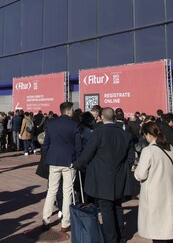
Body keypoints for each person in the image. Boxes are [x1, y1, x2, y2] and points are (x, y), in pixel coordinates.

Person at [73, 107, 134, 243]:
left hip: (102, 175)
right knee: (117, 205)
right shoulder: (125, 134)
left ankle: (111, 238)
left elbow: (88, 153)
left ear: (101, 117)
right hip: (119, 175)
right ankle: (121, 235)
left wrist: (77, 164)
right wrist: (125, 167)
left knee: (106, 208)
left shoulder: (98, 132)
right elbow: (131, 157)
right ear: (114, 117)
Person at [41, 102, 82, 233]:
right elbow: (78, 146)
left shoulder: (51, 124)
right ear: (68, 111)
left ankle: (46, 219)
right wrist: (78, 161)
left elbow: (46, 144)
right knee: (67, 191)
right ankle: (65, 223)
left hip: (54, 160)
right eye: (72, 109)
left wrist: (47, 157)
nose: (73, 111)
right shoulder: (74, 125)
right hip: (69, 161)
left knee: (52, 190)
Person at [134, 121, 173, 243]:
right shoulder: (170, 148)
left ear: (148, 135)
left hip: (153, 192)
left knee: (156, 228)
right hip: (168, 190)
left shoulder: (148, 151)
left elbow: (140, 174)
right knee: (167, 226)